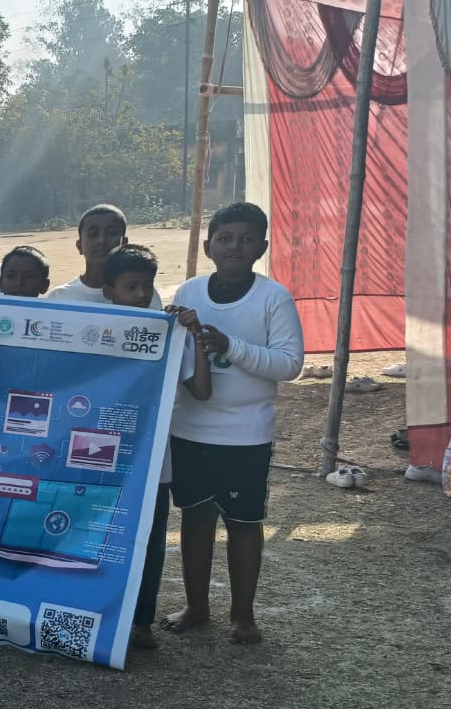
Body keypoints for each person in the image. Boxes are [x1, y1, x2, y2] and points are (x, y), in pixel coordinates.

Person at [163, 202, 305, 645]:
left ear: (262, 247)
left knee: (243, 524)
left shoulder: (273, 297)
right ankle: (196, 606)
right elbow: (175, 352)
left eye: (246, 240)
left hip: (246, 434)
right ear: (209, 246)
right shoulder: (188, 291)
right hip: (189, 428)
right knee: (194, 519)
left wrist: (231, 346)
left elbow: (290, 364)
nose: (235, 247)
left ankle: (243, 616)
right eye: (225, 239)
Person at [97, 244, 212, 650]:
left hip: (152, 464)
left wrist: (195, 336)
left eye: (147, 286)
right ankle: (98, 615)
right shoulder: (90, 330)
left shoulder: (166, 333)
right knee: (98, 537)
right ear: (109, 291)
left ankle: (141, 622)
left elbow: (202, 390)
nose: (141, 294)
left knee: (148, 542)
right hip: (96, 458)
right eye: (130, 286)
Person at [43, 204, 159, 305]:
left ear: (124, 244)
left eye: (111, 233)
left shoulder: (145, 296)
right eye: (93, 234)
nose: (101, 240)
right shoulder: (60, 297)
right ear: (79, 246)